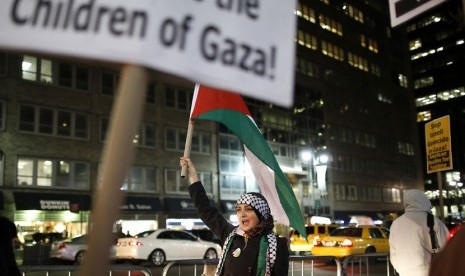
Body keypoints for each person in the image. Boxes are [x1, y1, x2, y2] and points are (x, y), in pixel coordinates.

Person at [180, 157, 289, 276]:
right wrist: (193, 176)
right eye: (238, 210)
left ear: (261, 214)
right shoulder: (231, 234)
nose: (242, 214)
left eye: (248, 209)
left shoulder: (277, 245)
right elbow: (206, 210)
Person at [389, 189, 448, 276]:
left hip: (404, 272)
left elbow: (393, 252)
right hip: (428, 271)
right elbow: (447, 247)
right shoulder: (433, 221)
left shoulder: (396, 223)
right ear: (422, 200)